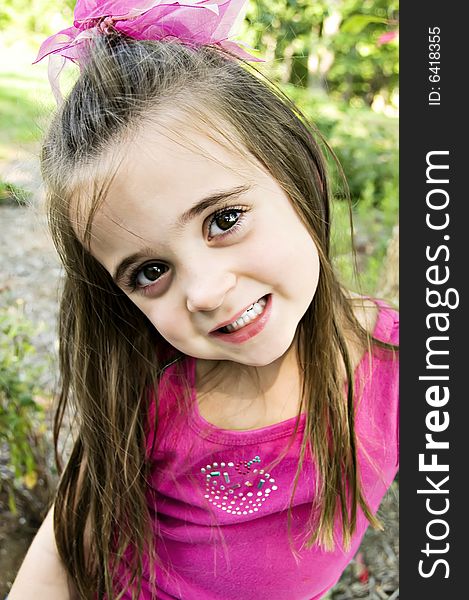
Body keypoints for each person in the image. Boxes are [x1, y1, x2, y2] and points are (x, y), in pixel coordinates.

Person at [8, 1, 399, 598]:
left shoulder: (405, 361)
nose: (207, 292)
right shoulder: (154, 393)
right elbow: (65, 542)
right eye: (152, 271)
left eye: (224, 219)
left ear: (297, 175)